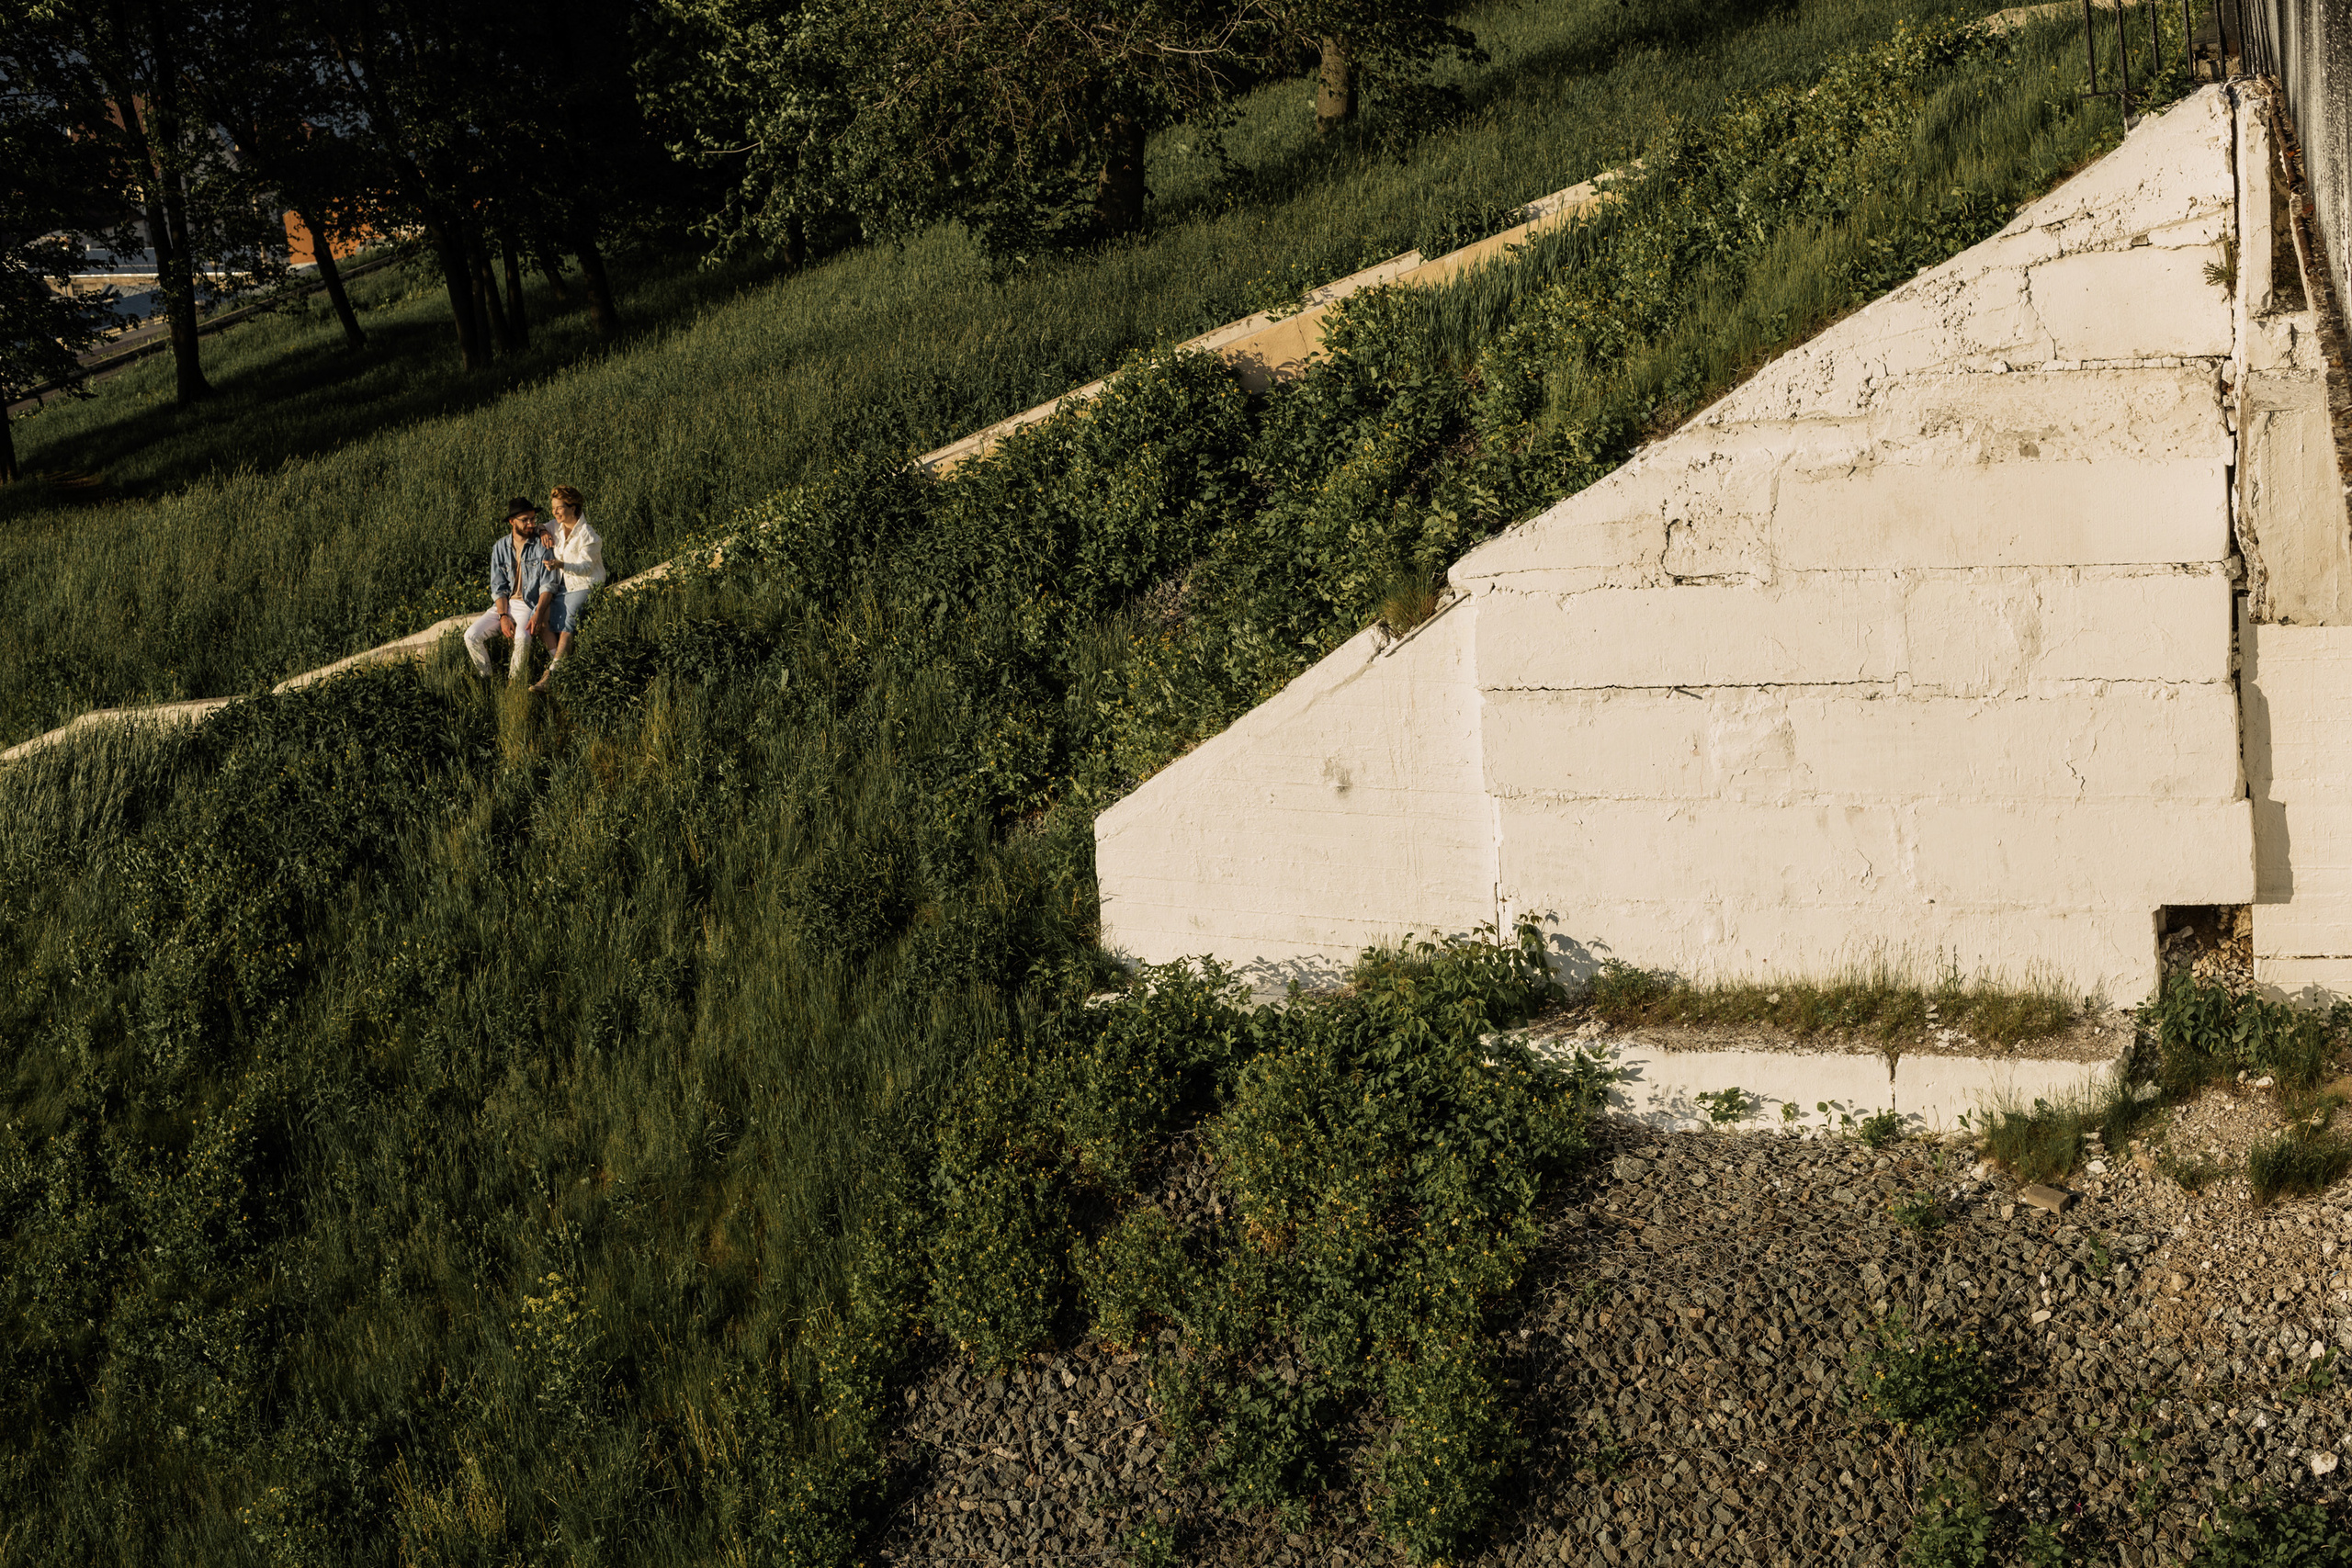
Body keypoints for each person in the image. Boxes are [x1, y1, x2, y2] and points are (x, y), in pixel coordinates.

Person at [463, 497, 560, 681]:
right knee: (471, 635)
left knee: (523, 638)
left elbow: (549, 585)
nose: (531, 524)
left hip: (528, 603)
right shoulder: (500, 547)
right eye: (525, 520)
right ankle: (487, 677)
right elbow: (498, 586)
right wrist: (503, 616)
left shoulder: (542, 545)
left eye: (533, 519)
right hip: (505, 604)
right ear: (511, 522)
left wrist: (538, 613)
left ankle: (514, 683)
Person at [530, 482, 607, 691]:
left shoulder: (589, 535)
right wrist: (543, 531)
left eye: (559, 508)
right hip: (564, 585)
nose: (554, 512)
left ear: (572, 507)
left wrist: (561, 564)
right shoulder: (556, 526)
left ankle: (552, 674)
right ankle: (561, 664)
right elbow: (539, 526)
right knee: (541, 617)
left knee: (567, 625)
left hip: (585, 584)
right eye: (553, 508)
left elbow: (585, 567)